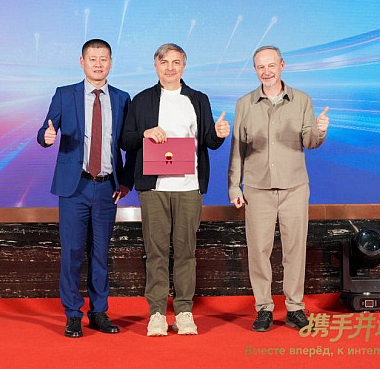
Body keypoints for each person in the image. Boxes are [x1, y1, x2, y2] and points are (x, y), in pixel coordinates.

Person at [121, 43, 229, 336]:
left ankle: (183, 311)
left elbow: (209, 141)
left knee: (185, 251)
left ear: (184, 66)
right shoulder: (141, 100)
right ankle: (157, 312)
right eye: (164, 62)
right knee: (155, 251)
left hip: (189, 187)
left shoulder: (198, 99)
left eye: (176, 62)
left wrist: (219, 134)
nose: (170, 68)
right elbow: (126, 140)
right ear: (156, 66)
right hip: (153, 187)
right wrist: (144, 133)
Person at [227, 45, 329, 333]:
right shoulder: (244, 103)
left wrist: (320, 130)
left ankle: (295, 307)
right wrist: (234, 186)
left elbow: (310, 142)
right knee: (259, 250)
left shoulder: (302, 100)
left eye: (271, 65)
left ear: (282, 65)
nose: (267, 72)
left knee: (294, 249)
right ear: (255, 70)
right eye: (261, 67)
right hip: (256, 189)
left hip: (294, 187)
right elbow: (237, 148)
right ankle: (264, 308)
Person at [37, 39, 132, 338]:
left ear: (111, 63)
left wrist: (126, 181)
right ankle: (72, 314)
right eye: (93, 58)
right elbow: (45, 130)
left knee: (101, 253)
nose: (98, 64)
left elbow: (128, 144)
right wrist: (46, 137)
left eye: (103, 59)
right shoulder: (65, 94)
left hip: (106, 188)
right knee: (72, 253)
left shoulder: (122, 98)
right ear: (82, 62)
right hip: (74, 187)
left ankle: (99, 312)